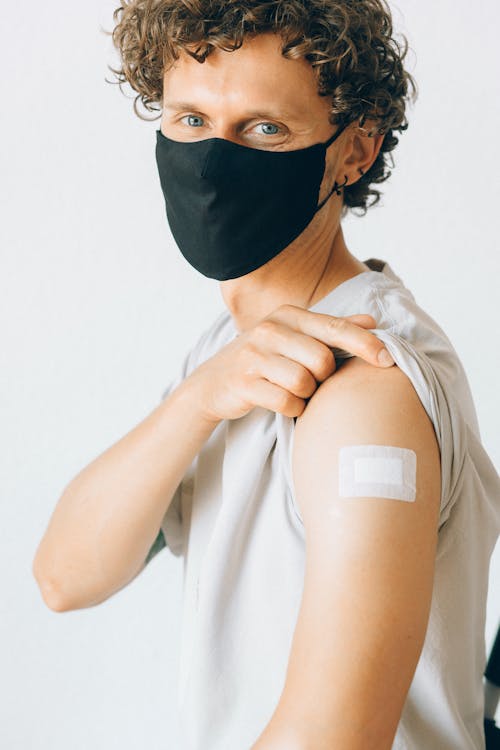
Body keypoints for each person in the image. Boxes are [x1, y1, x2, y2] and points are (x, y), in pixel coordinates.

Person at [32, 1, 500, 749]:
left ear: (356, 150)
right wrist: (196, 400)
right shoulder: (232, 356)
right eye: (189, 120)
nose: (214, 161)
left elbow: (333, 737)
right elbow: (64, 577)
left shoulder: (365, 385)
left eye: (265, 129)